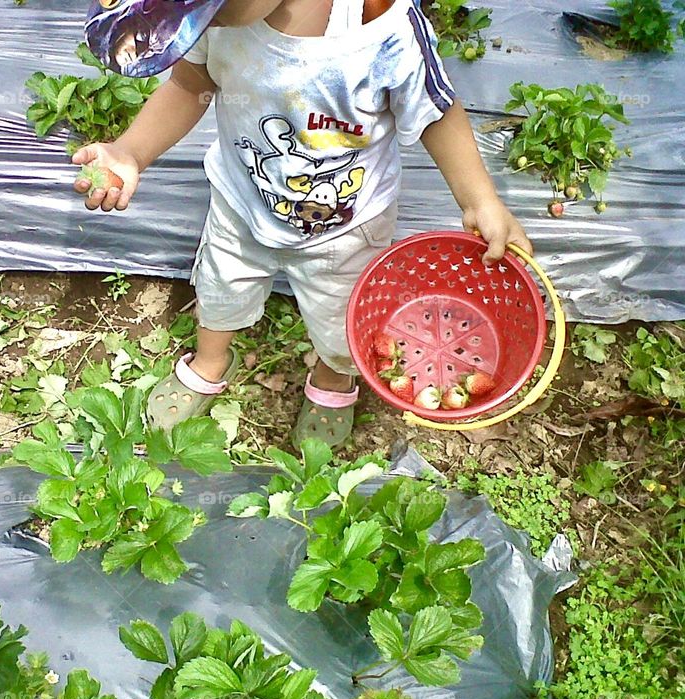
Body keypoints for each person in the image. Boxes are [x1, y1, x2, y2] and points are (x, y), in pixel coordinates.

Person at [73, 0, 533, 449]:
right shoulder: (209, 19)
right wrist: (132, 150)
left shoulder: (382, 25)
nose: (203, 21)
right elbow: (191, 82)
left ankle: (333, 377)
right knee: (219, 290)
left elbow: (437, 112)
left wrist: (479, 199)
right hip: (242, 203)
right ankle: (211, 362)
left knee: (343, 321)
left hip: (348, 226)